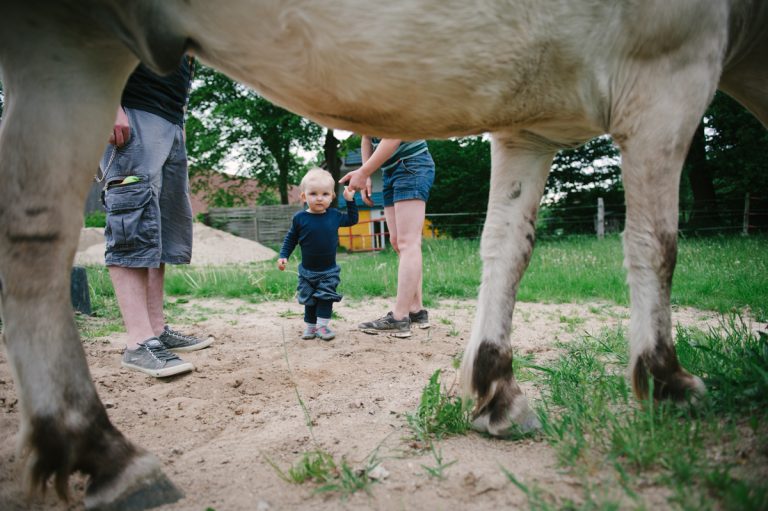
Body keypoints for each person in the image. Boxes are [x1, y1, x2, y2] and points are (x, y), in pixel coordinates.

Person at [99, 56, 213, 378]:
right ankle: (138, 341)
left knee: (156, 226)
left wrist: (179, 123)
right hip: (131, 111)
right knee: (130, 220)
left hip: (169, 119)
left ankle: (156, 329)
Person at [339, 136, 435, 338]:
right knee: (397, 242)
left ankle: (399, 318)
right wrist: (365, 174)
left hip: (412, 164)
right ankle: (416, 311)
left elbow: (393, 136)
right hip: (390, 169)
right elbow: (366, 136)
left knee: (408, 242)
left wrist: (364, 172)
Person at [278, 168, 359, 341]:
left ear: (332, 197)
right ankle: (310, 327)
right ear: (303, 197)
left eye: (325, 194)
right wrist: (284, 255)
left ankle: (322, 327)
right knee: (309, 299)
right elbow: (290, 239)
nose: (319, 198)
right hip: (307, 271)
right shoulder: (299, 218)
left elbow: (352, 220)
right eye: (313, 193)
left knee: (326, 297)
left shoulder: (335, 216)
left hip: (328, 271)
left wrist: (350, 201)